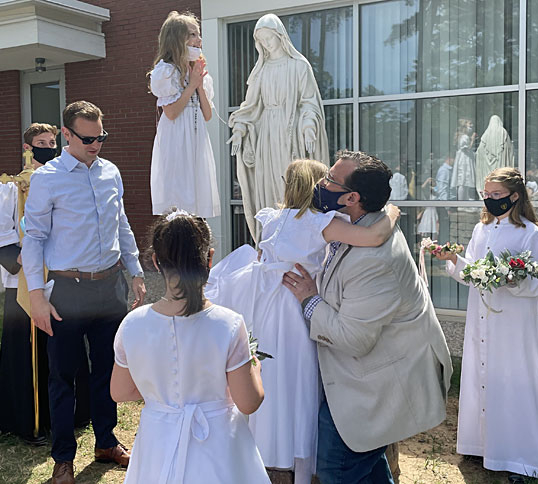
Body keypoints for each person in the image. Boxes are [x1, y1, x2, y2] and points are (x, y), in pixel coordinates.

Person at [206, 159, 400, 484]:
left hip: (265, 307)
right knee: (300, 378)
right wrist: (392, 211)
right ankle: (298, 449)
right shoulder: (318, 222)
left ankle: (266, 445)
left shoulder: (274, 218)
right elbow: (372, 237)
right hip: (295, 307)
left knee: (273, 373)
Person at [282, 151, 452, 484]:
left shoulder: (375, 260)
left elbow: (353, 339)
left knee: (336, 468)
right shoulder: (362, 222)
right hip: (370, 373)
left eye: (330, 180)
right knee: (366, 469)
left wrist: (309, 298)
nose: (321, 183)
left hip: (374, 385)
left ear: (352, 198)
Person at [22, 101, 147, 484]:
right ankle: (63, 457)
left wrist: (135, 269)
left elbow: (121, 221)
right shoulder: (48, 178)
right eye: (88, 138)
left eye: (101, 137)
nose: (96, 145)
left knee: (108, 369)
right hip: (66, 291)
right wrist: (38, 296)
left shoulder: (110, 171)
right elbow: (34, 239)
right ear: (67, 135)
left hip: (110, 285)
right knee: (63, 375)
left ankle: (106, 441)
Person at [111, 210, 271, 484]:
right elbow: (248, 402)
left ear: (155, 262)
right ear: (209, 257)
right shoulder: (228, 324)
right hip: (218, 445)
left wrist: (158, 390)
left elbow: (120, 391)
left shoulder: (132, 324)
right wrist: (253, 366)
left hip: (157, 442)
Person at [436, 167, 538, 481]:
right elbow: (474, 271)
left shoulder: (532, 234)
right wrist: (454, 261)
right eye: (486, 194)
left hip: (514, 321)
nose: (489, 201)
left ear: (514, 197)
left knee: (514, 378)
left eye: (496, 195)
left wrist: (514, 280)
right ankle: (484, 443)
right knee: (485, 373)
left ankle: (520, 454)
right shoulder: (482, 229)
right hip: (482, 316)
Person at [0, 123, 90, 446]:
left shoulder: (64, 180)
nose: (48, 146)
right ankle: (29, 422)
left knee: (66, 347)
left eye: (52, 142)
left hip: (63, 279)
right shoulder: (11, 188)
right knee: (29, 353)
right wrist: (30, 267)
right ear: (28, 148)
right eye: (41, 142)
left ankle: (73, 414)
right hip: (26, 285)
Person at [228, 13, 329, 241]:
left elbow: (309, 102)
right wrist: (239, 131)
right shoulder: (261, 71)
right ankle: (272, 239)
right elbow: (250, 107)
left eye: (268, 38)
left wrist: (308, 127)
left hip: (290, 133)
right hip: (267, 135)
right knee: (268, 185)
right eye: (261, 40)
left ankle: (295, 238)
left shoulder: (299, 66)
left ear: (279, 35)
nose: (266, 44)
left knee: (291, 183)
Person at [149, 11, 220, 218]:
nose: (198, 40)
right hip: (177, 136)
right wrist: (191, 86)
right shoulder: (167, 71)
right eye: (192, 34)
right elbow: (170, 113)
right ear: (177, 38)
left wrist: (198, 84)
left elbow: (207, 114)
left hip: (197, 136)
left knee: (198, 190)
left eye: (198, 34)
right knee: (179, 190)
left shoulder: (200, 73)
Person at [450, 118, 477, 201]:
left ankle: (465, 200)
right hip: (464, 160)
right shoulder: (464, 137)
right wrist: (472, 139)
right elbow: (467, 148)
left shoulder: (463, 136)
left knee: (465, 181)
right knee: (463, 180)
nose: (471, 126)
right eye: (470, 124)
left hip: (465, 158)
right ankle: (462, 202)